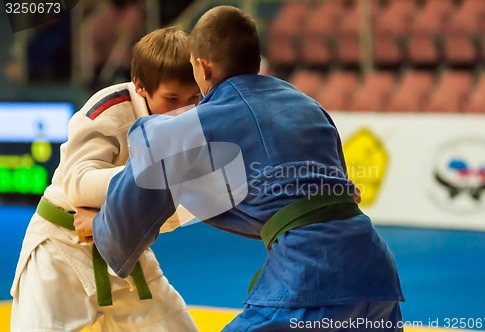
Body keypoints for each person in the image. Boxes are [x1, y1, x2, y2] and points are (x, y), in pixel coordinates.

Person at [75, 6, 405, 331]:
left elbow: (133, 205)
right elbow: (336, 193)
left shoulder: (196, 124)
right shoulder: (307, 105)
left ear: (202, 68)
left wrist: (99, 224)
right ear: (256, 62)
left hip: (311, 275)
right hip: (376, 272)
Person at [11, 26, 200, 331]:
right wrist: (152, 182)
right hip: (61, 247)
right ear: (140, 86)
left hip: (122, 247)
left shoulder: (195, 122)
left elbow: (186, 205)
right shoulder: (111, 110)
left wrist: (115, 219)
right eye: (171, 98)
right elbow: (77, 184)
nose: (183, 110)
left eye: (193, 97)